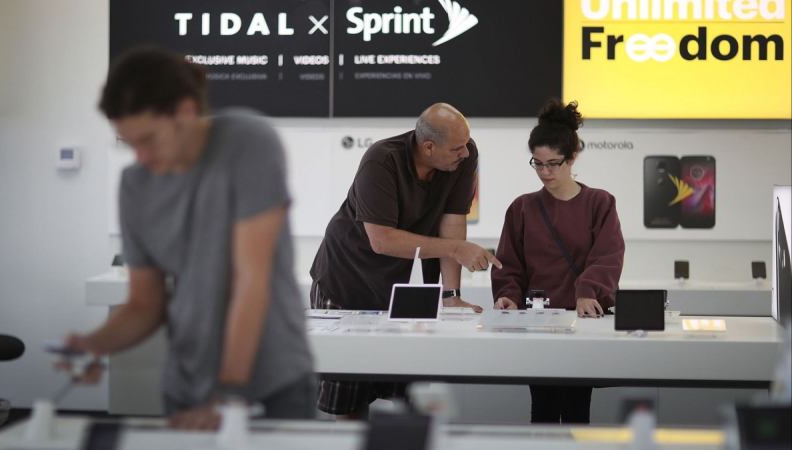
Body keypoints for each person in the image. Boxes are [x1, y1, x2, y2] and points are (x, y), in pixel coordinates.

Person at [60, 47, 315, 428]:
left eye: (149, 139)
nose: (141, 156)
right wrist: (93, 345)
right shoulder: (136, 186)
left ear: (185, 111)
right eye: (130, 144)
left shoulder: (247, 141)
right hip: (187, 385)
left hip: (271, 383)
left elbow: (250, 280)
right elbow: (145, 304)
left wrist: (228, 395)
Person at [310, 103, 502, 418]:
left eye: (466, 144)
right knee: (350, 398)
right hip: (347, 279)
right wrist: (456, 249)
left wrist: (451, 295)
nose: (465, 152)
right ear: (428, 147)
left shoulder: (464, 157)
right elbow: (382, 240)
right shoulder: (381, 160)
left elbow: (452, 222)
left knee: (413, 394)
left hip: (407, 289)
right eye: (456, 148)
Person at [491, 99, 625, 424]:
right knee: (543, 410)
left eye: (553, 163)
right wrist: (508, 295)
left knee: (578, 409)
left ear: (573, 156)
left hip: (583, 320)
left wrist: (588, 291)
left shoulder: (599, 203)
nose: (545, 172)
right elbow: (509, 262)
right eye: (537, 164)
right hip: (537, 322)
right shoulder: (522, 208)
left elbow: (608, 255)